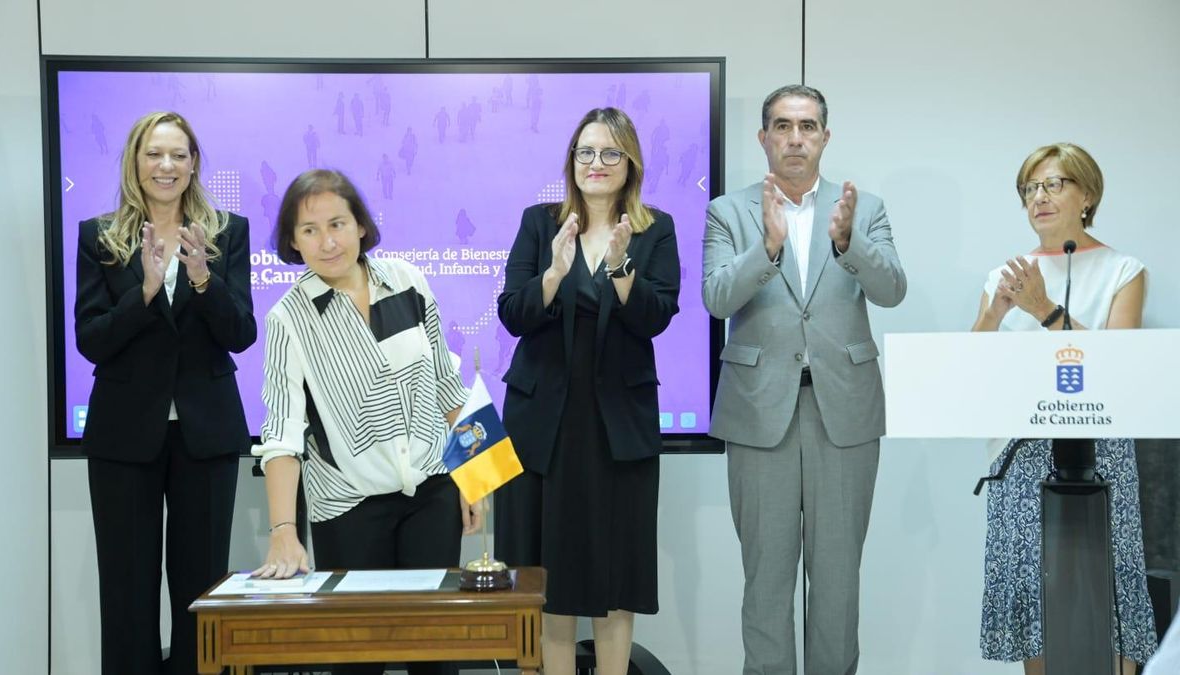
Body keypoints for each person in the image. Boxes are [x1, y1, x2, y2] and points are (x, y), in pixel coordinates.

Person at [702, 85, 906, 675]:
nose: (796, 138)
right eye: (783, 126)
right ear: (763, 136)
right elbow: (716, 299)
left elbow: (892, 291)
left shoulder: (862, 209)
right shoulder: (728, 210)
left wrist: (850, 244)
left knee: (838, 580)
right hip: (758, 413)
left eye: (808, 126)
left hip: (843, 413)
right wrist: (766, 248)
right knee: (765, 579)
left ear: (825, 136)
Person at [251, 169, 482, 675]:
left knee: (437, 660)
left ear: (361, 226)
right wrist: (283, 531)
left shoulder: (406, 281)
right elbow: (283, 433)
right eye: (309, 230)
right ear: (292, 240)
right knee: (358, 662)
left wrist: (474, 477)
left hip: (432, 494)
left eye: (338, 223)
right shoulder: (289, 319)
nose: (327, 241)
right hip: (348, 510)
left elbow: (447, 381)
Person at [495, 107, 680, 675]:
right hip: (541, 428)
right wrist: (553, 273)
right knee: (546, 577)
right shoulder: (539, 222)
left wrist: (621, 266)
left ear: (631, 164)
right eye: (585, 153)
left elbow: (656, 317)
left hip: (616, 427)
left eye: (609, 154)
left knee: (615, 571)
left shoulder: (655, 229)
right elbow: (512, 314)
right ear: (570, 161)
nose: (595, 164)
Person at [75, 110, 255, 675]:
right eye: (154, 154)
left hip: (208, 434)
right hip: (124, 437)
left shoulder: (228, 231)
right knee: (127, 591)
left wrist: (203, 278)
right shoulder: (99, 236)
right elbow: (92, 340)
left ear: (194, 163)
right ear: (135, 160)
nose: (166, 166)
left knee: (201, 590)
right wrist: (146, 290)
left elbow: (241, 334)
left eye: (178, 154)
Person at [973, 142, 1156, 674]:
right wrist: (998, 312)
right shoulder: (1004, 275)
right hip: (1019, 454)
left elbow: (1116, 368)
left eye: (1054, 184)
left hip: (1099, 453)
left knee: (1107, 583)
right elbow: (968, 368)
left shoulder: (1123, 269)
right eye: (1030, 188)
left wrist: (1044, 309)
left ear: (1088, 195)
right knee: (1035, 592)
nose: (1039, 198)